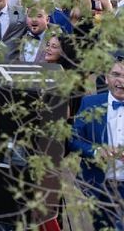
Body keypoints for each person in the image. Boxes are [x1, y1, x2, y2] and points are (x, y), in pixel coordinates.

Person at [69, 52, 124, 229]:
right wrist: (95, 151)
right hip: (100, 187)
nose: (121, 81)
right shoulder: (90, 103)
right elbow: (73, 138)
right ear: (106, 77)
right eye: (116, 75)